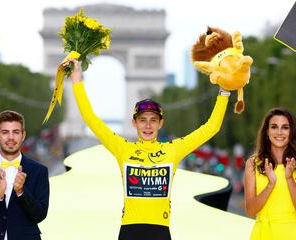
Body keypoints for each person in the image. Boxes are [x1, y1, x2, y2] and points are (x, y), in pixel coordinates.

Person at [66, 58, 230, 240]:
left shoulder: (174, 149)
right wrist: (76, 80)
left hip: (160, 231)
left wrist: (224, 92)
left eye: (153, 120)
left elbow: (211, 128)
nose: (148, 126)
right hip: (129, 231)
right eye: (142, 120)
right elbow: (90, 119)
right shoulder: (122, 148)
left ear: (161, 123)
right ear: (134, 123)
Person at [0, 110, 50, 240]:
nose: (11, 137)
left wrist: (21, 192)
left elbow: (40, 215)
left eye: (16, 132)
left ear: (23, 135)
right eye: (5, 132)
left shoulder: (39, 171)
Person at [244, 107, 296, 240]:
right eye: (274, 127)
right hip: (262, 235)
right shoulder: (252, 164)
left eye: (285, 127)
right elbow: (250, 210)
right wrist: (270, 185)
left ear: (291, 131)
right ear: (267, 131)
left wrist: (289, 179)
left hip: (291, 235)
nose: (279, 132)